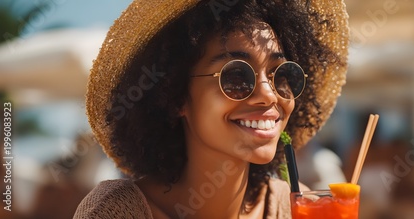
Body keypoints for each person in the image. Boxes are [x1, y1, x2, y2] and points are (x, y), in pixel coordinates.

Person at [74, 0, 349, 218]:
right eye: (237, 76)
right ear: (177, 94)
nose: (268, 94)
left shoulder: (295, 209)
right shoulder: (116, 213)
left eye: (281, 74)